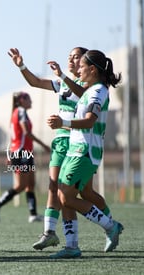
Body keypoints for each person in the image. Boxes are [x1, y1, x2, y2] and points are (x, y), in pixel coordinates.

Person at [6, 47, 113, 250]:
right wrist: (21, 65)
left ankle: (109, 225)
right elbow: (35, 82)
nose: (72, 60)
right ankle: (51, 232)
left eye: (77, 57)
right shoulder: (63, 83)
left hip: (79, 141)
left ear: (87, 65)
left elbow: (84, 100)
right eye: (70, 57)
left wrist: (63, 77)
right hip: (63, 140)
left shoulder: (90, 87)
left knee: (86, 193)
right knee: (55, 186)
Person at [47, 49, 123, 258]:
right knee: (67, 196)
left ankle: (110, 226)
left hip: (84, 152)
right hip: (75, 150)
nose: (78, 70)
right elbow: (78, 93)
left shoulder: (98, 91)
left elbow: (90, 120)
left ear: (91, 69)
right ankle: (72, 246)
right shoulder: (91, 90)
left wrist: (63, 123)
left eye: (81, 66)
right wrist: (62, 76)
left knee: (66, 196)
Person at [0, 92, 50, 223]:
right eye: (29, 99)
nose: (31, 102)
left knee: (31, 184)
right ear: (22, 100)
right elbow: (26, 133)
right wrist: (44, 145)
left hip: (24, 152)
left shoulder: (16, 112)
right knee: (21, 186)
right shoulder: (20, 111)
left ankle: (33, 214)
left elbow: (14, 135)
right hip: (20, 152)